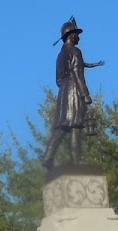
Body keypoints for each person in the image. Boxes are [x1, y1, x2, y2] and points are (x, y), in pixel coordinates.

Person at [43, 17, 105, 168]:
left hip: (64, 92)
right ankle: (76, 160)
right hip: (74, 90)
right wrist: (85, 94)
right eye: (76, 34)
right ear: (71, 36)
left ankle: (48, 157)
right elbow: (78, 74)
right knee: (76, 126)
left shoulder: (60, 55)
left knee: (62, 127)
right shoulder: (76, 51)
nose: (78, 37)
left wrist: (66, 87)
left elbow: (58, 79)